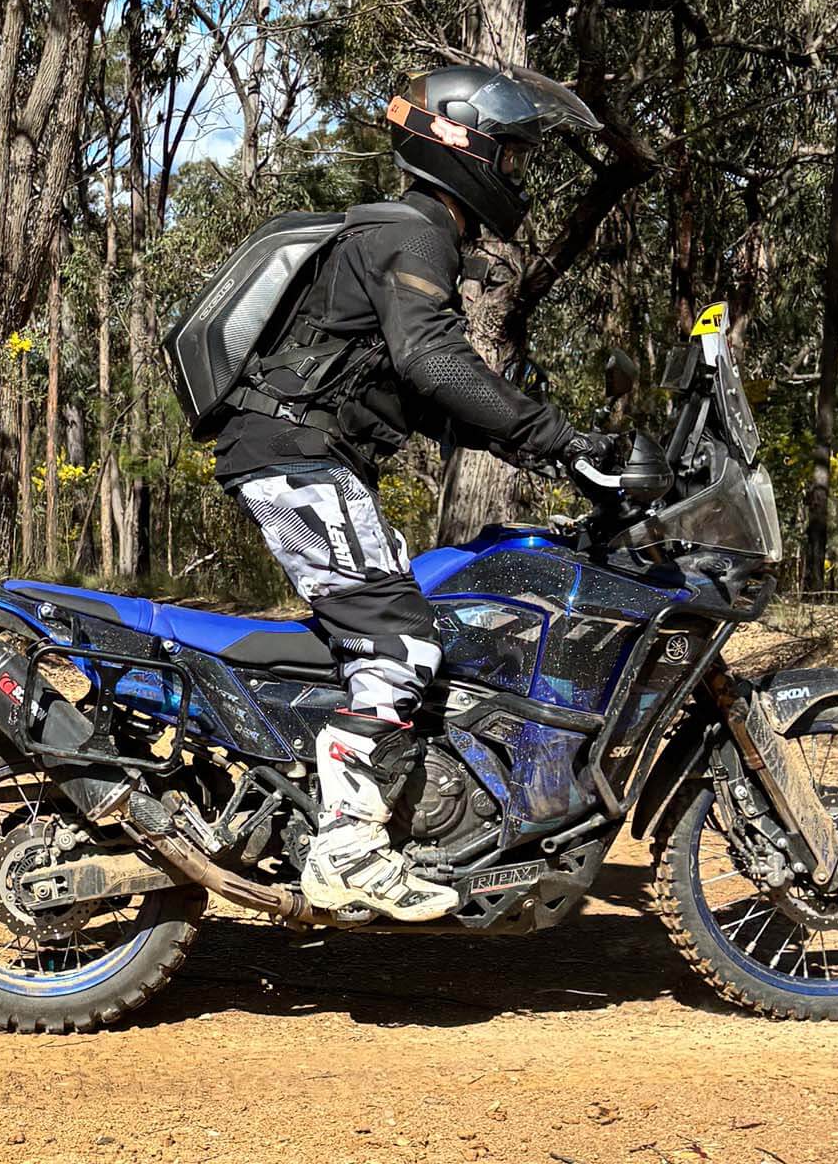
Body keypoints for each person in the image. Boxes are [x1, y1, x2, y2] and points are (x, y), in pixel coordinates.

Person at [212, 65, 613, 921]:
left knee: (399, 621)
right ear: (464, 148)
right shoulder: (414, 231)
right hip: (295, 455)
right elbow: (435, 362)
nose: (518, 175)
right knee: (396, 641)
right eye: (512, 157)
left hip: (300, 451)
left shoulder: (405, 233)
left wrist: (539, 448)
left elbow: (415, 395)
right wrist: (558, 437)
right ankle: (347, 850)